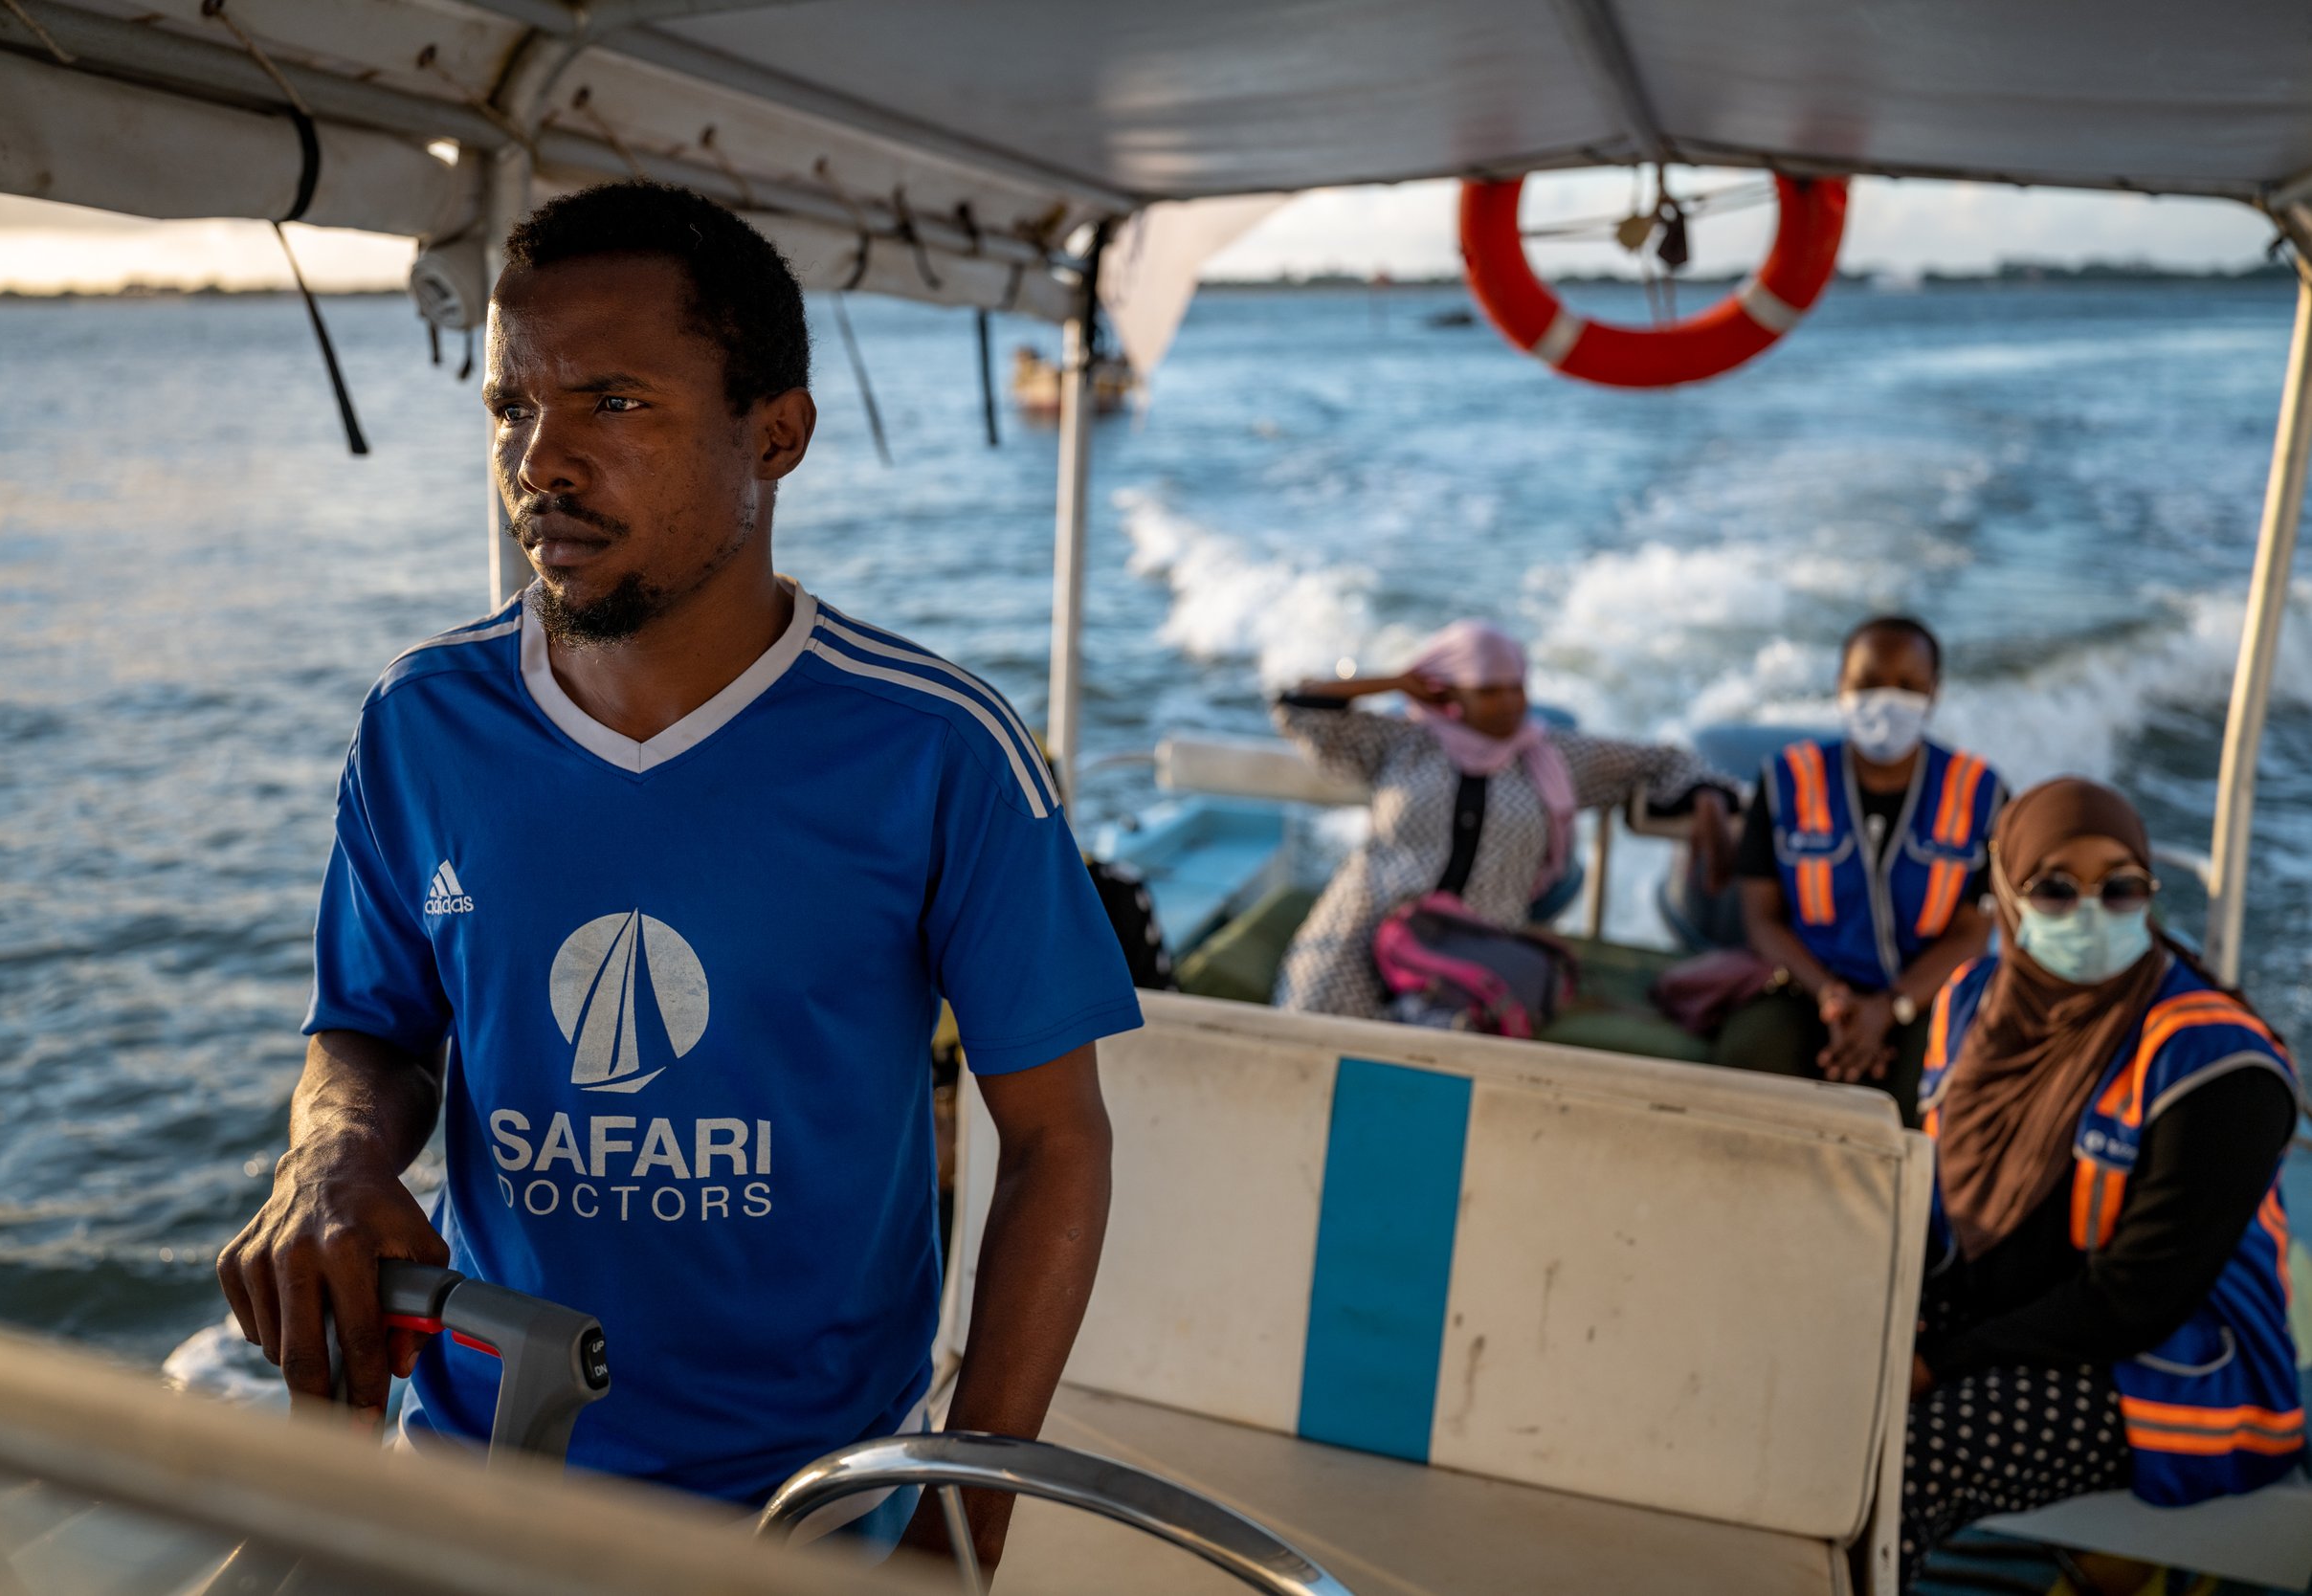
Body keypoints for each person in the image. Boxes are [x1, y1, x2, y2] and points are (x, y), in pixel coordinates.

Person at [215, 181, 1142, 1569]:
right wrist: (332, 1151)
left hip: (815, 1498)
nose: (541, 460)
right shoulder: (421, 727)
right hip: (482, 1460)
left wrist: (963, 1520)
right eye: (511, 408)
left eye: (616, 405)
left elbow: (1058, 1141)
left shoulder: (935, 750)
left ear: (775, 435)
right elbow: (372, 1030)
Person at [1901, 778, 2300, 1581]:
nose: (2090, 912)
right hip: (2007, 1302)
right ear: (2008, 898)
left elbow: (2138, 1300)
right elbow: (1921, 1203)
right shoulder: (1969, 1003)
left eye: (2120, 887)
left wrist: (1939, 1363)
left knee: (1907, 1458)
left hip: (2176, 1364)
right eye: (2054, 888)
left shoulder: (2218, 1065)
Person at [1270, 619, 1735, 1019]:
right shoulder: (1402, 741)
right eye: (1488, 691)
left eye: (1518, 687)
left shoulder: (1556, 755)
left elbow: (1666, 762)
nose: (1511, 703)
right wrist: (1396, 683)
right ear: (1448, 691)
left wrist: (1709, 801)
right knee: (1308, 1023)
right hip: (1366, 925)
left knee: (1434, 1053)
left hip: (1475, 945)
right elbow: (1299, 704)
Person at [1719, 616, 2005, 1124]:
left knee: (1930, 1088)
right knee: (1750, 1056)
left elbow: (1971, 935)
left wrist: (1888, 1009)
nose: (1887, 701)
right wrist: (1832, 998)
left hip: (1925, 998)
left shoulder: (1980, 793)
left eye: (1908, 687)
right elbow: (1762, 918)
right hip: (1807, 988)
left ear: (1934, 692)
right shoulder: (1787, 780)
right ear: (1840, 686)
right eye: (1868, 684)